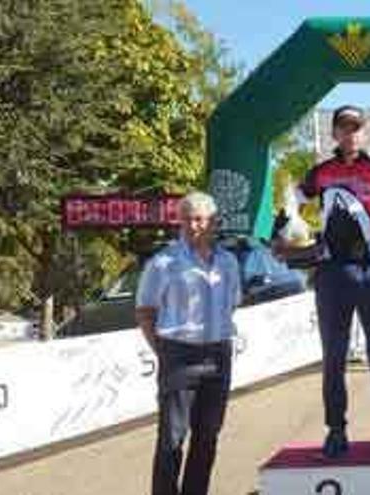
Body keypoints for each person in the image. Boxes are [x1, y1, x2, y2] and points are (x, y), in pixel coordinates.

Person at [298, 104, 370, 460]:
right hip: (331, 274)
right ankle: (336, 431)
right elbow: (292, 205)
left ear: (365, 132)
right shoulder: (320, 172)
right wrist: (299, 238)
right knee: (334, 356)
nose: (350, 134)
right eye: (343, 127)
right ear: (334, 133)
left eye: (356, 127)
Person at [135, 191, 241, 495]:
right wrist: (165, 350)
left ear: (214, 222)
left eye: (201, 219)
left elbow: (232, 304)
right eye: (188, 219)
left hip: (219, 354)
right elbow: (145, 311)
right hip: (179, 355)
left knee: (208, 436)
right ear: (179, 222)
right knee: (172, 438)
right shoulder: (163, 263)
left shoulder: (229, 263)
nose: (194, 226)